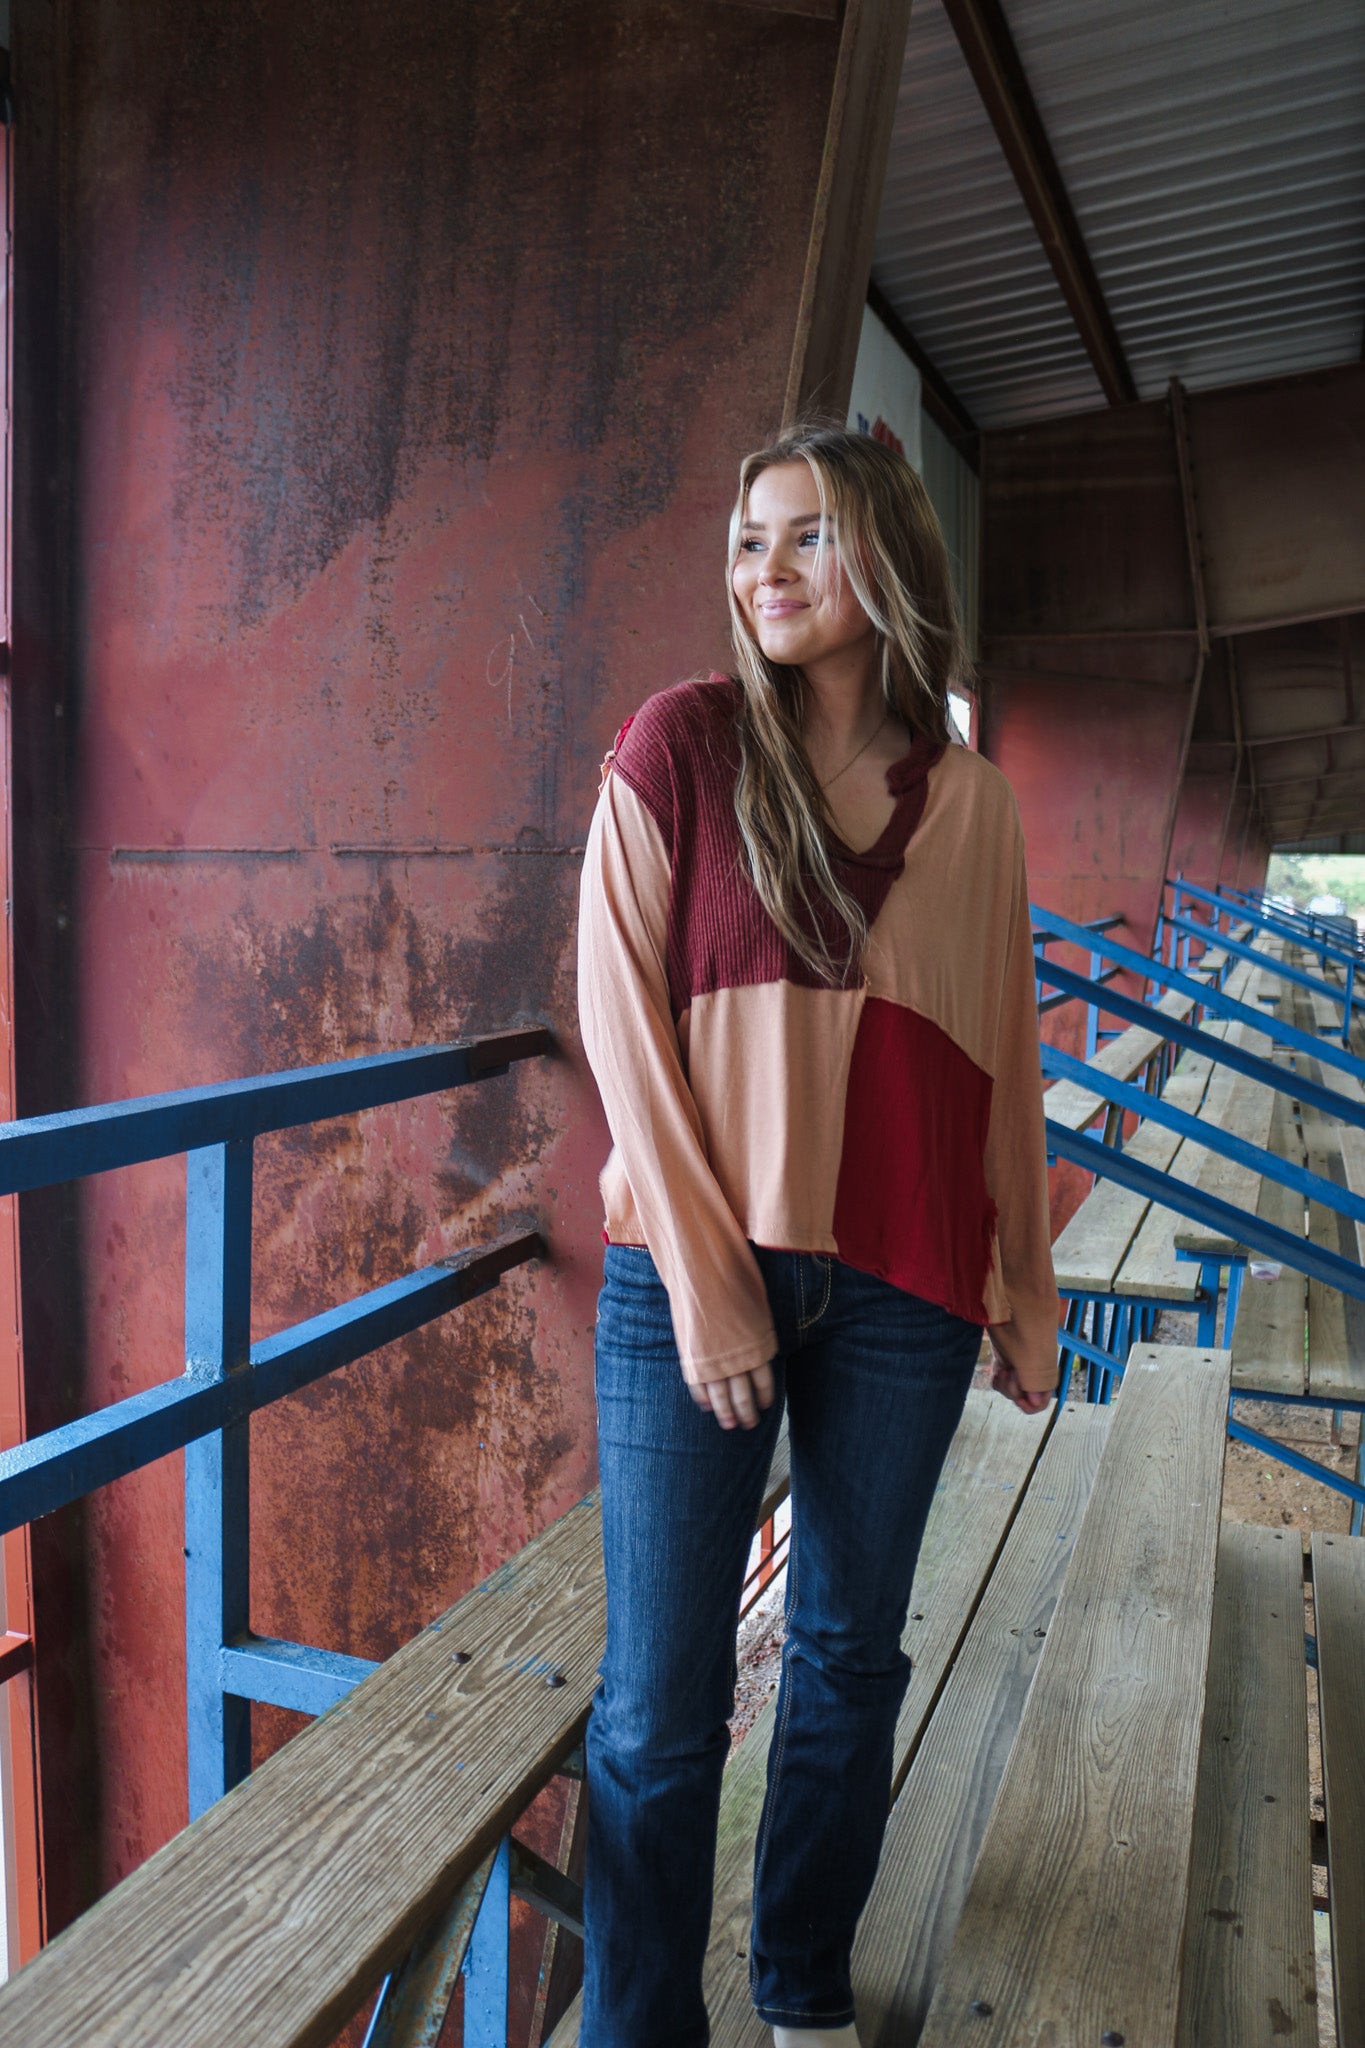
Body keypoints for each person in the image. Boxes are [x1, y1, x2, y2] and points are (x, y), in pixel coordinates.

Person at [575, 420, 1059, 2048]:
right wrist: (711, 1285)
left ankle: (798, 1990)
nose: (762, 573)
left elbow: (997, 1056)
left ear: (887, 562)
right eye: (746, 542)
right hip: (689, 1281)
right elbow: (617, 1021)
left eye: (803, 539)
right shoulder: (681, 746)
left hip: (907, 1287)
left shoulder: (975, 803)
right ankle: (643, 2023)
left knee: (850, 1663)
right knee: (656, 1710)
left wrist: (1023, 1288)